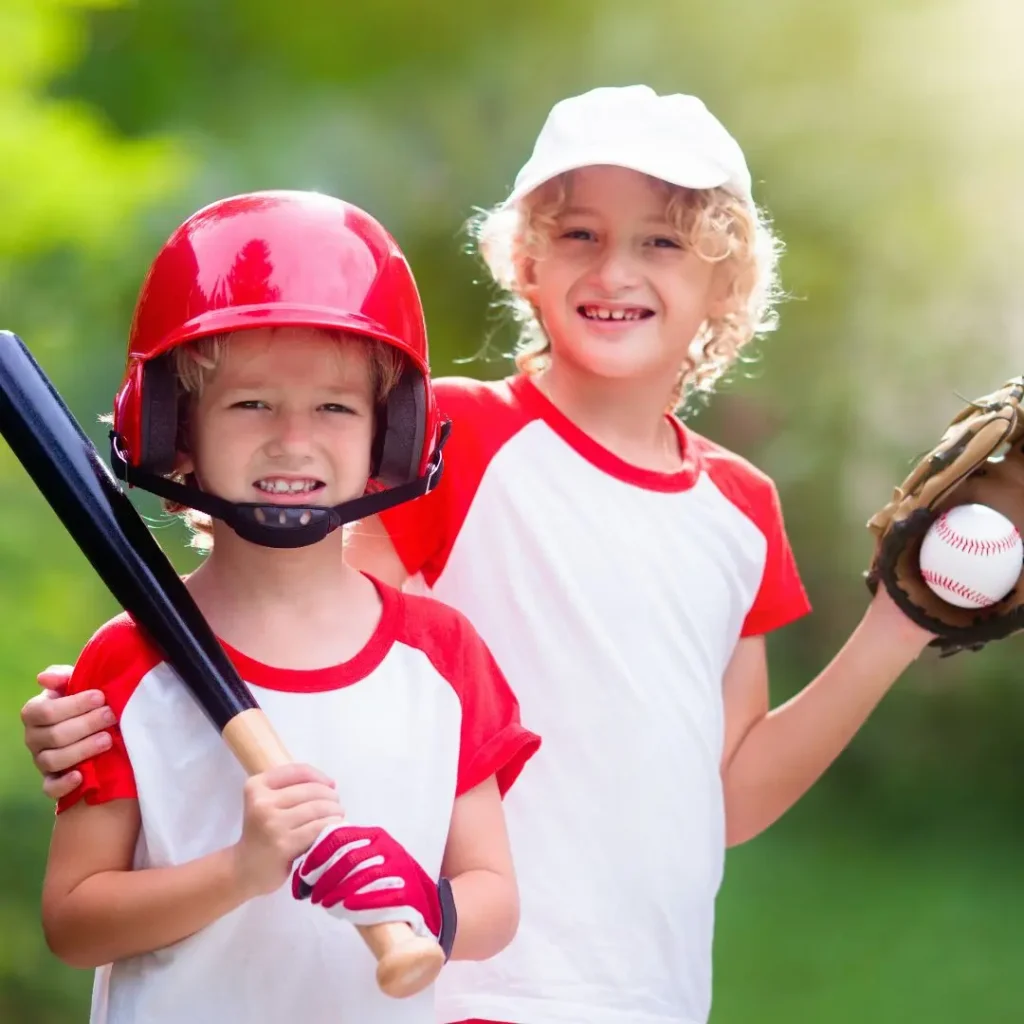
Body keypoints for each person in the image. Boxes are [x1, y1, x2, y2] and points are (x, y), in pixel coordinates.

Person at [23, 88, 932, 1024]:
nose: (615, 269)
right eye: (579, 233)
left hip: (648, 989)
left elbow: (728, 799)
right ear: (527, 259)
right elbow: (301, 650)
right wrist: (126, 695)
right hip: (454, 977)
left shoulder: (741, 506)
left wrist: (896, 630)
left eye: (662, 240)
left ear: (725, 281)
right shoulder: (457, 431)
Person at [33, 190, 540, 1024]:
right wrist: (240, 869)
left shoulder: (440, 655)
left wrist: (430, 905)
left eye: (335, 407)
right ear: (176, 429)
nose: (293, 439)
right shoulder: (129, 662)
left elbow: (495, 898)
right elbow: (75, 922)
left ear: (391, 433)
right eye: (251, 403)